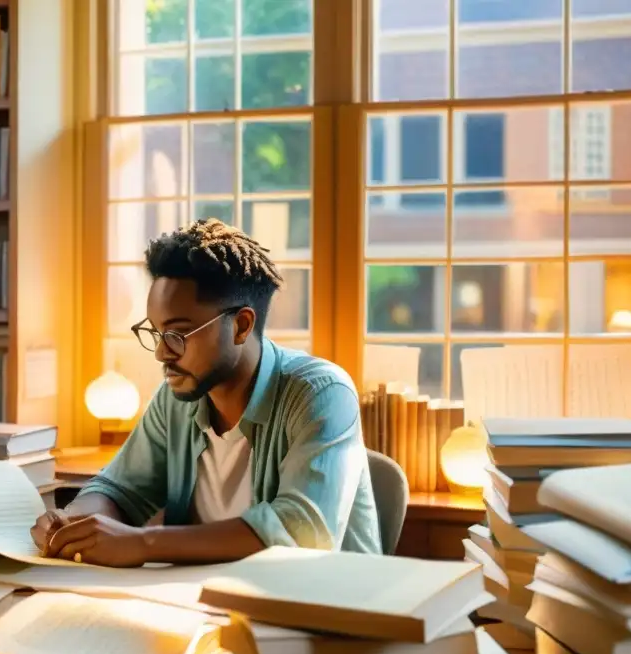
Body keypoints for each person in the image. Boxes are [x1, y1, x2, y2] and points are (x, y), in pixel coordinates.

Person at [31, 218, 381, 566]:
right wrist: (73, 521)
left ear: (242, 325)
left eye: (178, 334)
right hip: (204, 608)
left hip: (322, 610)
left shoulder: (321, 394)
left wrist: (145, 543)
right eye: (156, 333)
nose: (161, 353)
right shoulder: (176, 398)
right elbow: (118, 490)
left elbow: (302, 532)